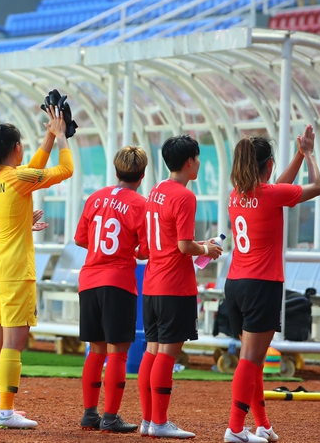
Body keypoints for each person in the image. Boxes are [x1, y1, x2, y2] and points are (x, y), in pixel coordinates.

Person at [0, 106, 73, 429]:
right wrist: (61, 139)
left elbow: (31, 171)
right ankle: (7, 411)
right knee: (13, 345)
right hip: (16, 272)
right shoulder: (17, 178)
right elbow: (65, 170)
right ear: (15, 148)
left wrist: (49, 133)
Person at [222, 127, 320, 443]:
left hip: (236, 283)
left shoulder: (236, 193)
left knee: (255, 360)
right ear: (267, 165)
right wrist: (309, 154)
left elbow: (279, 187)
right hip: (261, 285)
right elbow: (317, 187)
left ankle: (261, 424)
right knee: (250, 361)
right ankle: (235, 428)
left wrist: (297, 153)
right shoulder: (269, 194)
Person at [138, 135, 222, 439]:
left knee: (152, 351)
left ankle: (149, 421)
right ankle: (159, 422)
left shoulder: (156, 190)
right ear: (190, 162)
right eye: (197, 159)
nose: (198, 163)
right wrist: (206, 249)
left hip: (152, 283)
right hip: (175, 285)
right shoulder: (185, 196)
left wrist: (198, 245)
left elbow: (153, 244)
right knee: (167, 355)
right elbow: (185, 246)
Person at [74, 146, 149, 433]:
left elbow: (82, 239)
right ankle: (110, 417)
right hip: (118, 281)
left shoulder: (95, 197)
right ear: (141, 175)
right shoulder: (140, 204)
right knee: (118, 352)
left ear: (116, 171)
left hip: (89, 279)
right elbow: (143, 251)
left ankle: (90, 414)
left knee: (96, 350)